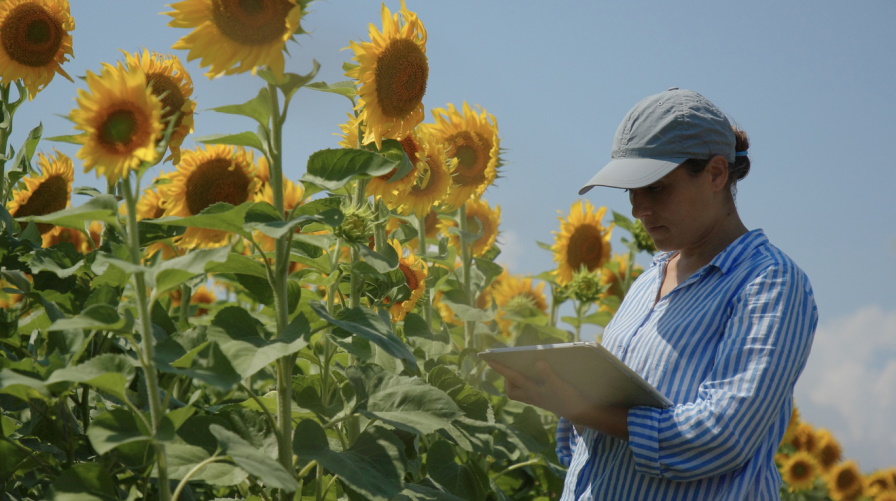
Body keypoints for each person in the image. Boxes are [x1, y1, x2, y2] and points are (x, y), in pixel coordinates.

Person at [486, 88, 818, 500]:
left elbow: (723, 435)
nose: (638, 209)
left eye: (656, 188)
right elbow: (594, 448)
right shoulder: (648, 281)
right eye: (631, 191)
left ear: (716, 174)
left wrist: (582, 408)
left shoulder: (769, 282)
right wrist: (559, 393)